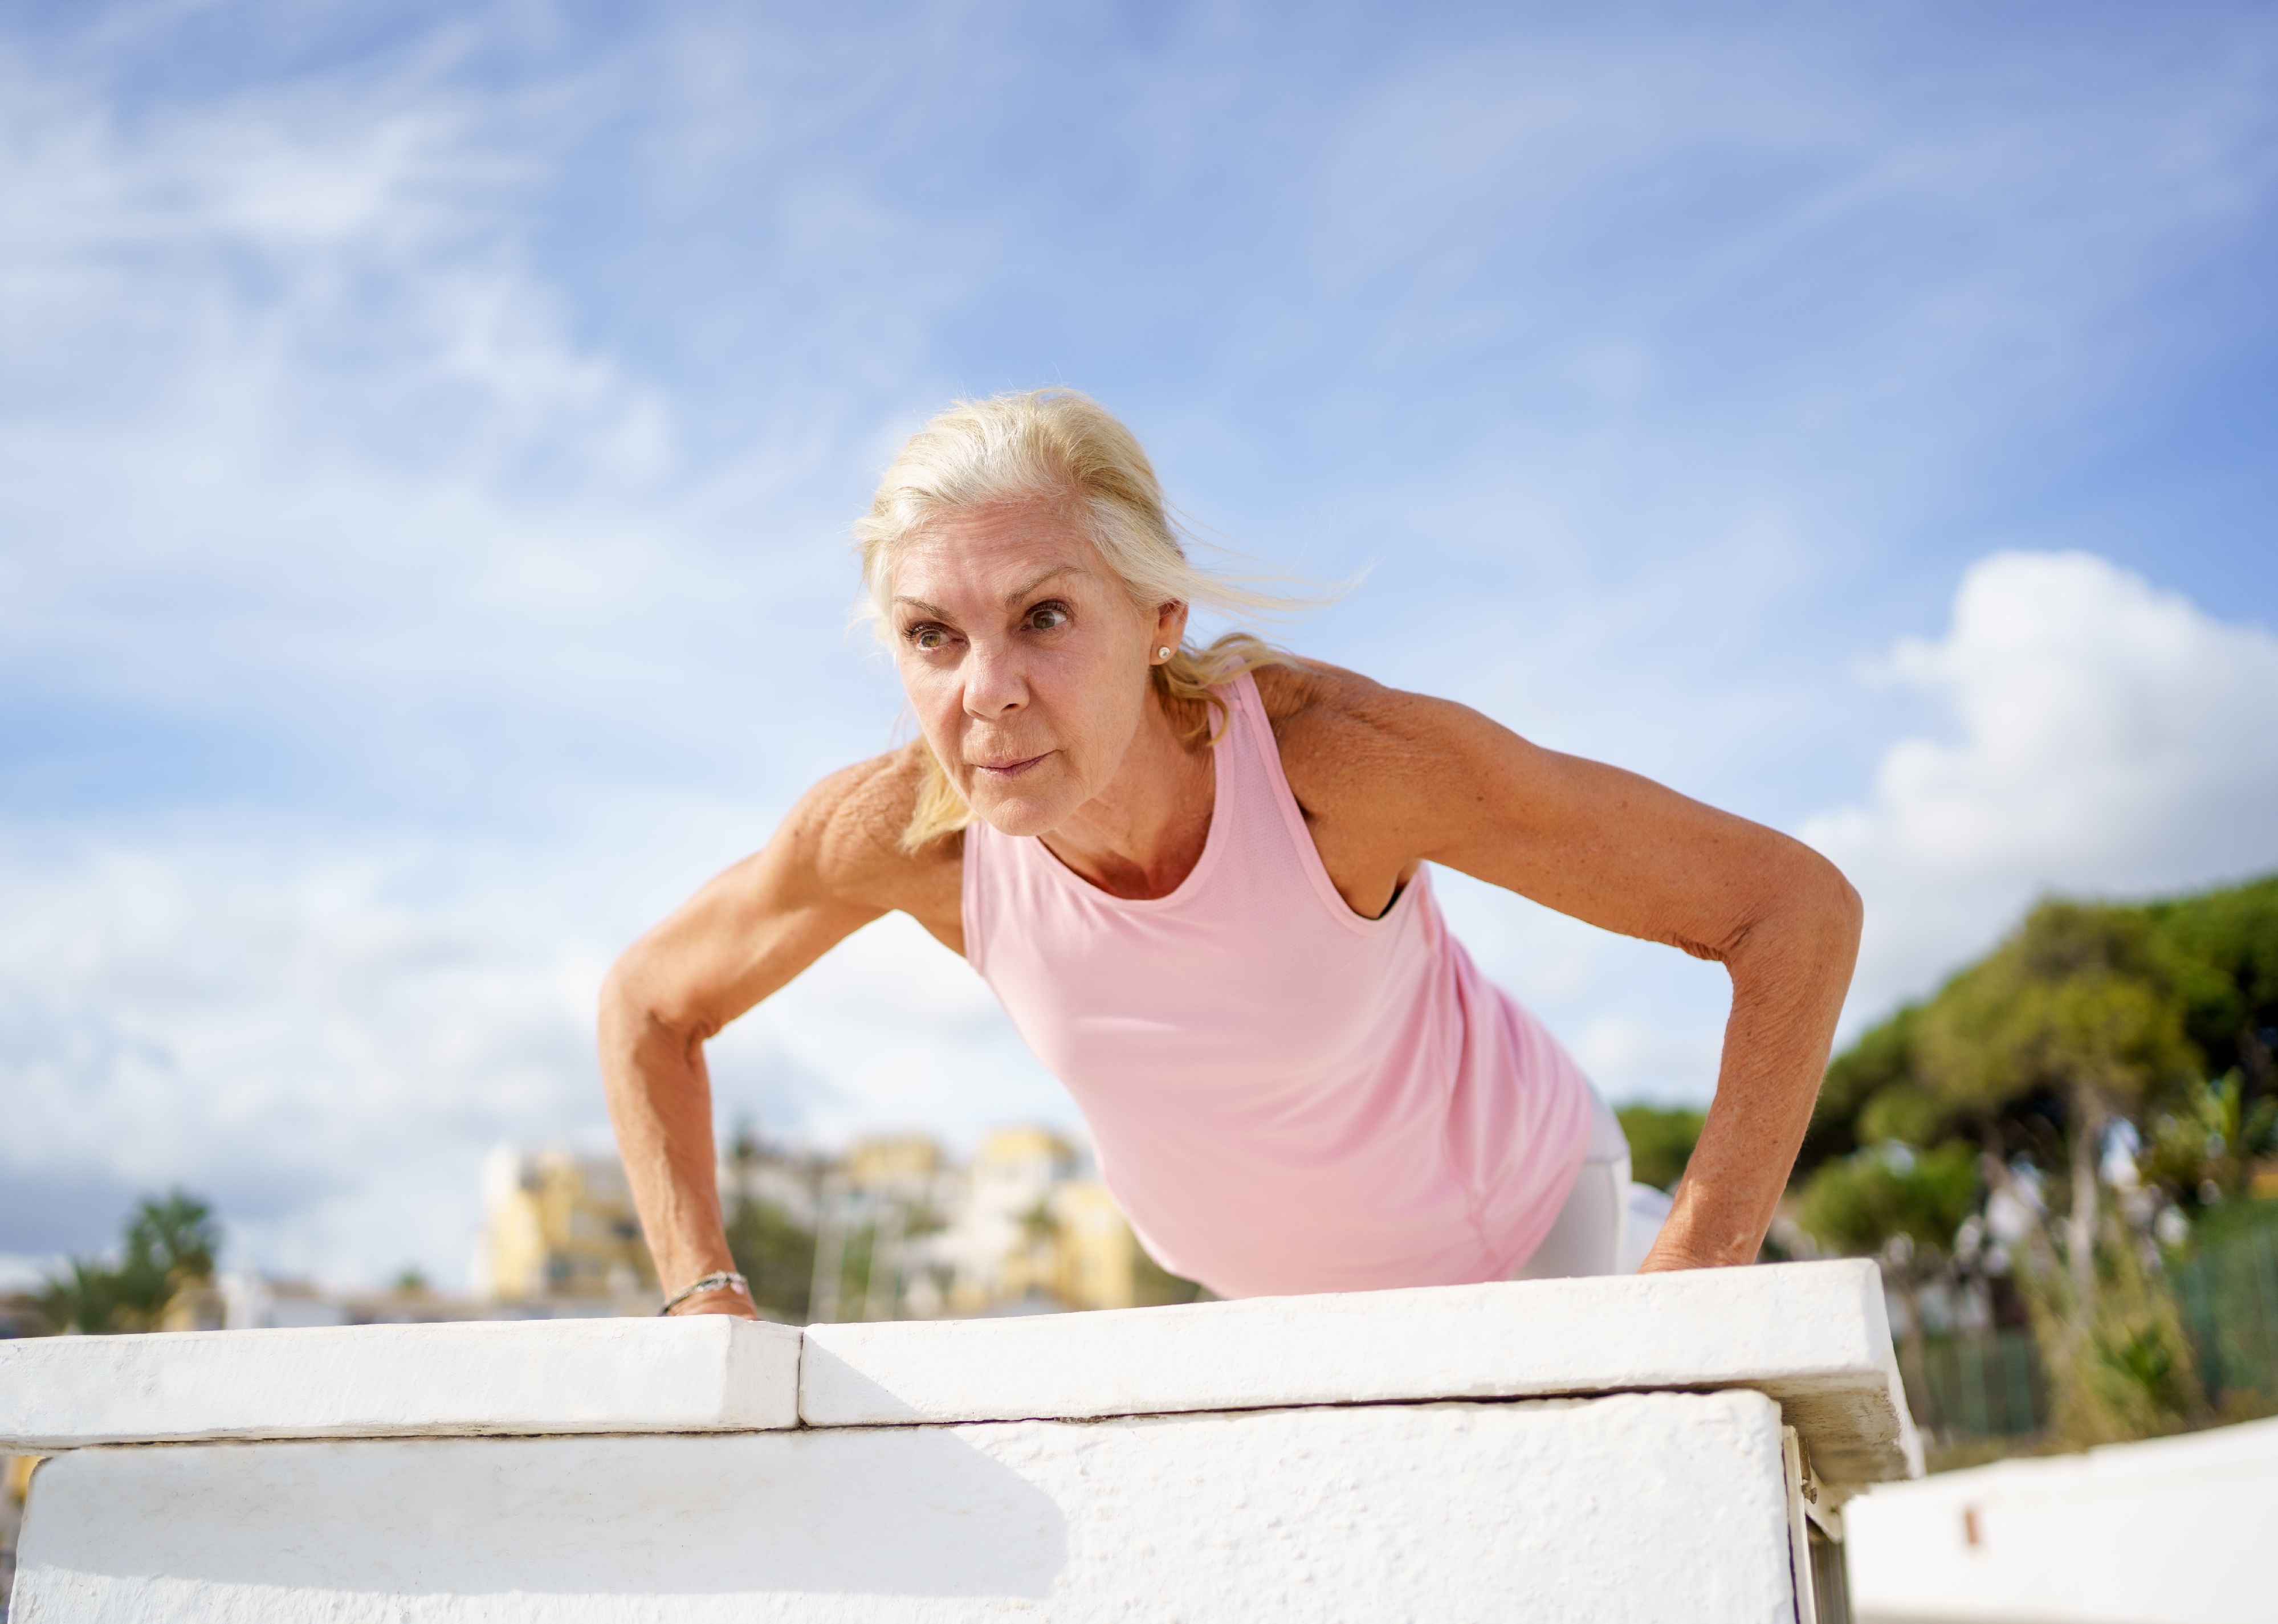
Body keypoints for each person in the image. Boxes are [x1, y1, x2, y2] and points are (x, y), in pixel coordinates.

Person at [600, 390, 1863, 1319]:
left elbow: (1789, 910)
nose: (988, 692)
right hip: (1266, 1313)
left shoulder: (1336, 769)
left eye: (1044, 617)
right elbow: (651, 1003)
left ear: (1159, 618)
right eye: (933, 636)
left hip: (1539, 1252)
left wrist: (1689, 1293)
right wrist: (704, 1298)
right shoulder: (911, 838)